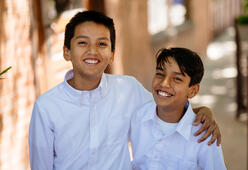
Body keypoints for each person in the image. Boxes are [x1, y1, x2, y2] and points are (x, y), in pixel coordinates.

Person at [29, 11, 221, 170]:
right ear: (66, 52)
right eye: (82, 42)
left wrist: (203, 111)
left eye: (102, 44)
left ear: (112, 54)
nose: (93, 51)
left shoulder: (127, 89)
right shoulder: (47, 108)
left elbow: (167, 107)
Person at [130, 48, 226, 170]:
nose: (164, 83)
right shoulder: (138, 116)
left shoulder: (203, 135)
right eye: (160, 74)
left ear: (193, 90)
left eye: (177, 79)